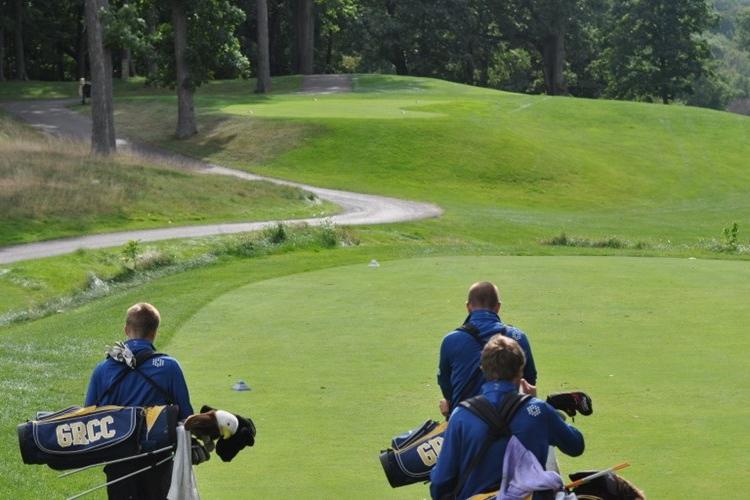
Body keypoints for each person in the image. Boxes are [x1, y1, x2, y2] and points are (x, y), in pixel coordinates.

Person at [430, 335, 584, 499]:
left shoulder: (461, 415)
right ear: (520, 370)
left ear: (483, 368)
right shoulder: (538, 411)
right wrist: (545, 409)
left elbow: (440, 483)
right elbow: (575, 445)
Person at [84, 303, 194, 500]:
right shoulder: (169, 367)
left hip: (118, 462)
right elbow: (187, 417)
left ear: (126, 330)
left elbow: (89, 416)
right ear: (154, 332)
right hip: (158, 462)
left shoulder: (102, 369)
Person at [438, 281, 537, 417]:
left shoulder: (450, 340)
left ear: (468, 307)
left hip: (464, 419)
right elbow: (529, 380)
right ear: (498, 307)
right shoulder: (518, 337)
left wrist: (451, 408)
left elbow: (445, 384)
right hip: (510, 420)